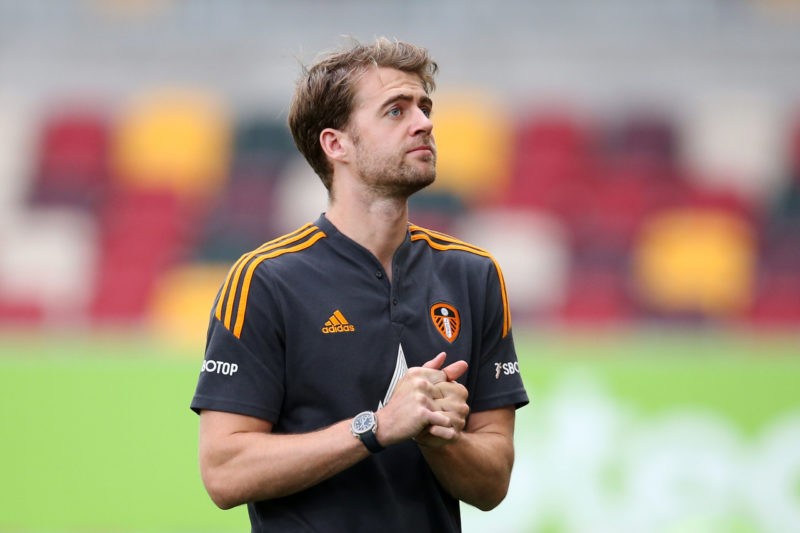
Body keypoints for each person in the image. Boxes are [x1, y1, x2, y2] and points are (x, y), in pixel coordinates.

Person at [190, 37, 529, 532]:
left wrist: (440, 438)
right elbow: (223, 471)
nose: (424, 123)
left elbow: (492, 483)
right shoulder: (265, 279)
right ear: (336, 144)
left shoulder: (475, 274)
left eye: (423, 107)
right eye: (396, 110)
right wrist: (377, 428)